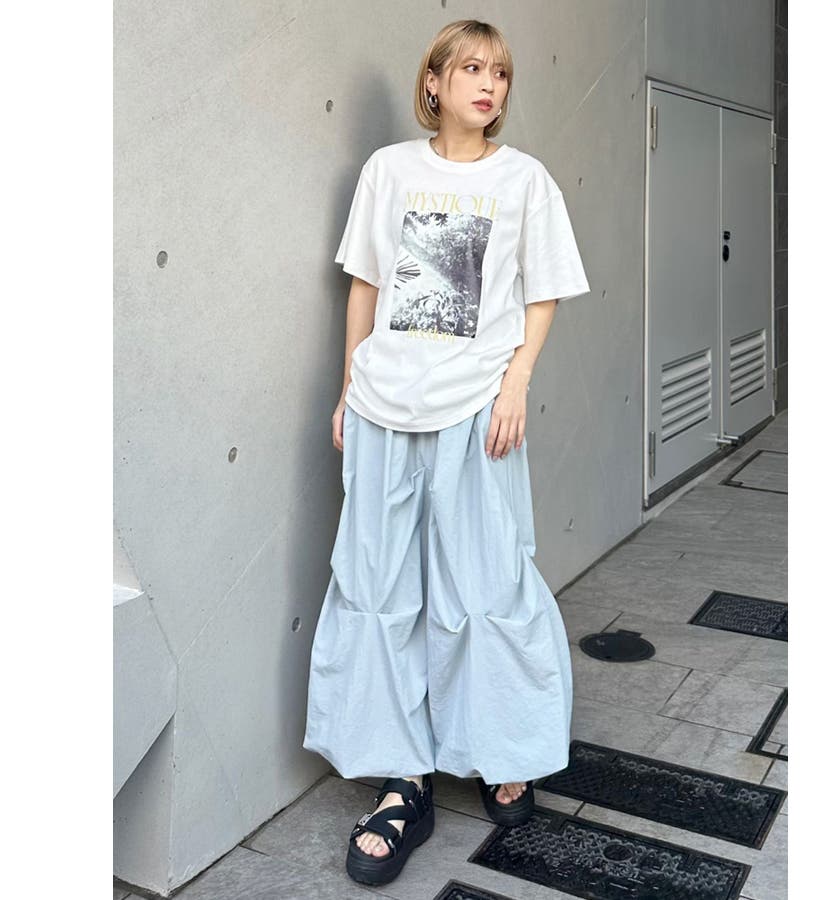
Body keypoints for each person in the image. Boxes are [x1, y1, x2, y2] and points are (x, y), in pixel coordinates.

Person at [302, 18, 591, 886]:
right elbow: (366, 284)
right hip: (384, 404)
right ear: (433, 81)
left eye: (499, 73)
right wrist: (348, 387)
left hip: (475, 406)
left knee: (488, 583)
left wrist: (517, 381)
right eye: (471, 68)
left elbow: (543, 293)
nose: (489, 85)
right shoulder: (389, 170)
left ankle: (506, 747)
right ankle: (404, 779)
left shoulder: (524, 180)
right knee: (379, 586)